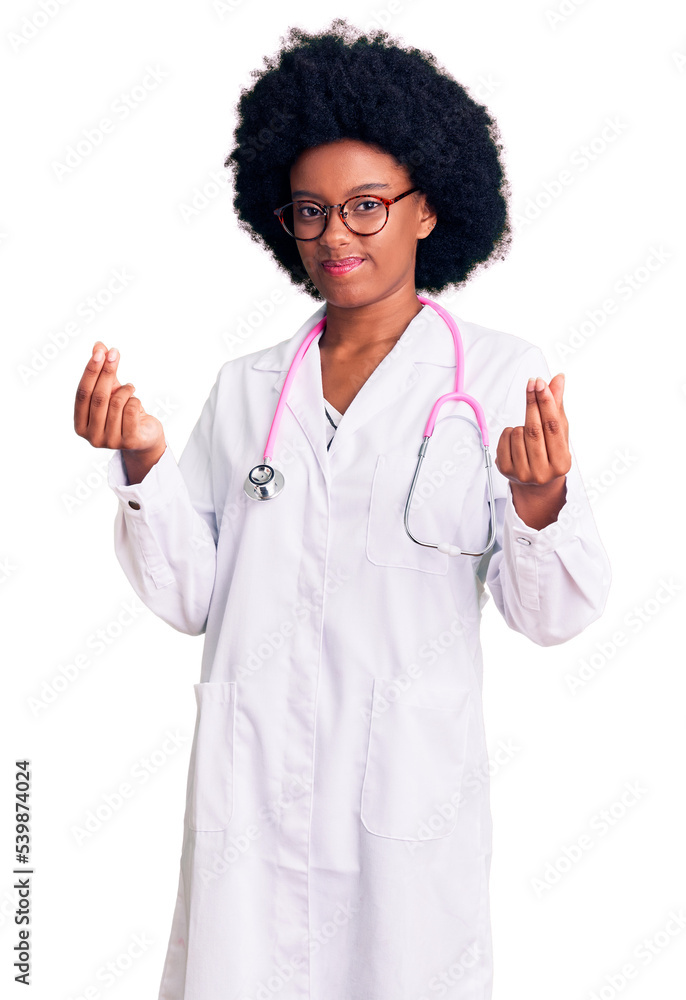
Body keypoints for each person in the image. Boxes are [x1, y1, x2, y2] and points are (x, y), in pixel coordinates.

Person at [73, 18, 611, 1000]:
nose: (335, 236)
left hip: (405, 813)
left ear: (427, 210)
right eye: (310, 211)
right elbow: (194, 595)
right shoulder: (249, 388)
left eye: (365, 206)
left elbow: (552, 615)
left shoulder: (495, 374)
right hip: (252, 801)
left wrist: (538, 500)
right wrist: (141, 459)